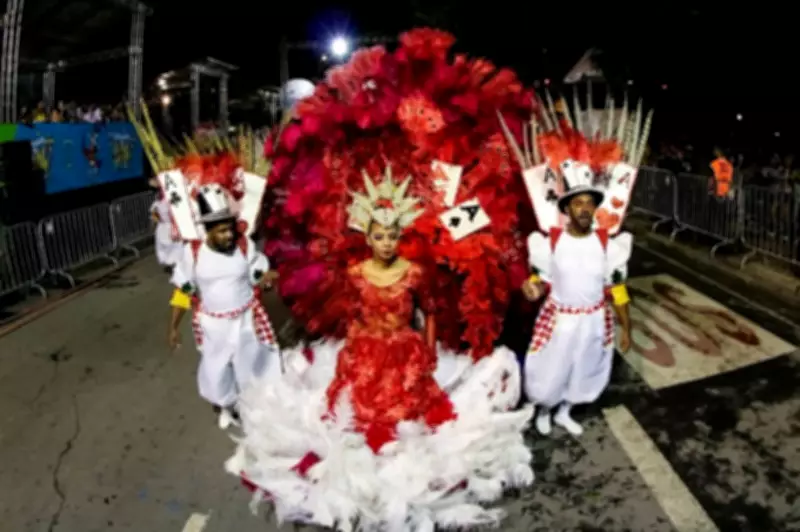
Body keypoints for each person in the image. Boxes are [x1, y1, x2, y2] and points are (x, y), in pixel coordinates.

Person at [226, 168, 533, 530]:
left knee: (410, 417)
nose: (386, 242)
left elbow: (429, 313)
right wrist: (354, 350)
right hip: (367, 354)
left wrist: (429, 350)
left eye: (391, 235)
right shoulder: (356, 274)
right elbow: (352, 315)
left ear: (399, 236)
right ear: (368, 236)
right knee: (363, 417)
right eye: (379, 235)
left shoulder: (414, 273)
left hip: (406, 353)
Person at [499, 90, 648, 437]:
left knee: (584, 369)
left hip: (594, 320)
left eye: (588, 204)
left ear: (594, 209)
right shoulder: (550, 240)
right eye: (577, 203)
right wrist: (532, 286)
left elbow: (617, 287)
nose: (583, 209)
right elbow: (539, 278)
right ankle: (544, 409)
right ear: (566, 209)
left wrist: (626, 326)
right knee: (549, 369)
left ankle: (566, 410)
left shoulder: (607, 243)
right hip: (560, 319)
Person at [167, 184, 281, 429]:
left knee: (251, 368)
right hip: (213, 325)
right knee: (216, 373)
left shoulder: (244, 246)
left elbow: (256, 274)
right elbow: (183, 290)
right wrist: (174, 327)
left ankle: (252, 410)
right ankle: (227, 405)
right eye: (221, 231)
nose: (229, 235)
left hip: (246, 320)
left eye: (230, 229)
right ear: (207, 232)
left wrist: (269, 278)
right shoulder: (193, 253)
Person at [149, 189, 181, 271]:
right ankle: (170, 263)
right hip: (163, 227)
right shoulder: (157, 204)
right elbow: (154, 216)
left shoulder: (167, 201)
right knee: (164, 246)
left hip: (170, 226)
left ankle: (174, 262)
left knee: (173, 245)